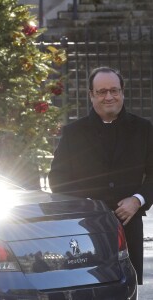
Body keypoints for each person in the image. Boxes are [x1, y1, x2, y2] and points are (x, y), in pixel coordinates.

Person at [48, 66, 153, 285]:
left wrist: (137, 200)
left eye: (114, 90)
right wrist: (85, 206)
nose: (109, 96)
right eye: (102, 91)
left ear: (122, 92)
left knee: (126, 289)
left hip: (129, 227)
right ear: (91, 95)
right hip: (85, 230)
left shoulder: (144, 129)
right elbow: (58, 179)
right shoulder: (73, 132)